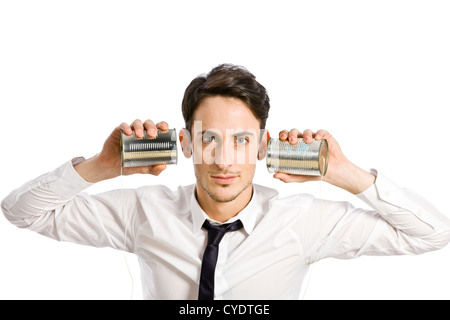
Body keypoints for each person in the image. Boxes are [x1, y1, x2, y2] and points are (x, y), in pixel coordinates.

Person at [2, 63, 450, 300]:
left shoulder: (303, 220)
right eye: (209, 139)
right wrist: (102, 165)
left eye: (241, 141)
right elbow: (20, 211)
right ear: (187, 143)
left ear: (262, 146)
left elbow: (434, 234)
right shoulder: (142, 212)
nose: (224, 159)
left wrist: (344, 174)